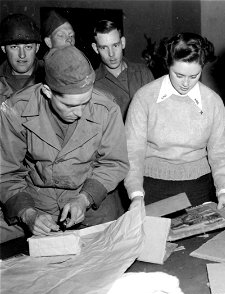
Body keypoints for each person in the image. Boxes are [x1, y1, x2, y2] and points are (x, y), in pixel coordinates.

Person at [0, 45, 129, 243]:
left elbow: (114, 163)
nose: (79, 112)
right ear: (47, 91)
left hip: (90, 201)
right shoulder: (16, 109)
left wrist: (84, 199)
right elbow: (6, 172)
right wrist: (28, 214)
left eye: (85, 103)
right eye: (70, 105)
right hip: (35, 202)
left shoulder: (107, 109)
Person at [125, 32, 225, 212]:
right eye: (179, 75)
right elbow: (133, 152)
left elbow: (220, 153)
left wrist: (223, 192)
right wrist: (136, 194)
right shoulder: (144, 98)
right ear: (168, 64)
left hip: (199, 187)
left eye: (194, 76)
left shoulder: (213, 102)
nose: (185, 83)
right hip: (151, 188)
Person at [91, 20, 154, 121]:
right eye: (103, 48)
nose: (111, 54)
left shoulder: (143, 73)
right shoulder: (93, 84)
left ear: (123, 43)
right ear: (95, 48)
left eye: (115, 45)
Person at [0, 13, 44, 104]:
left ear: (37, 47)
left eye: (28, 47)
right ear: (4, 49)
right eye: (14, 47)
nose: (22, 55)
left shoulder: (52, 77)